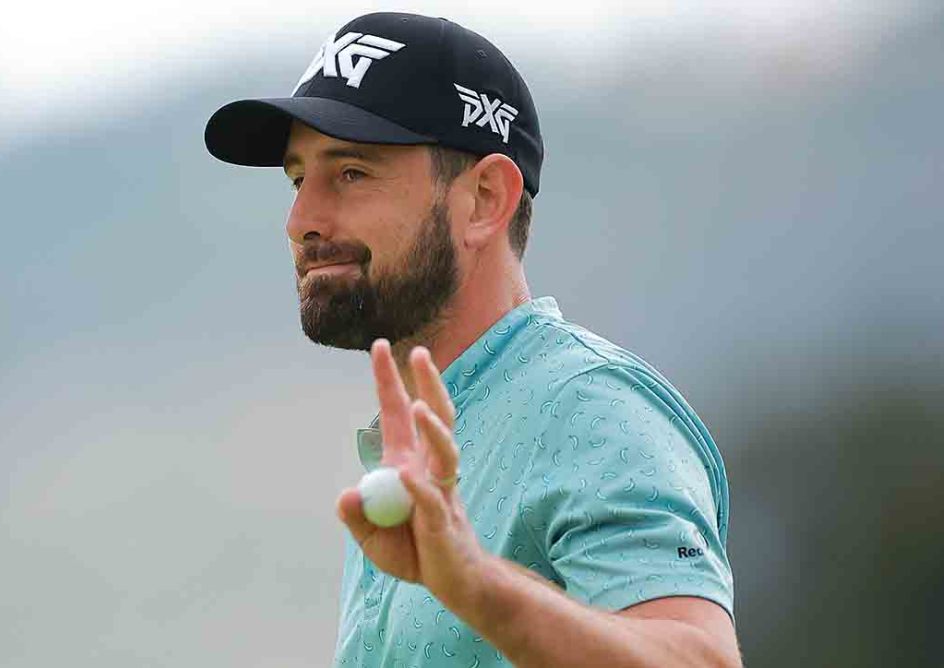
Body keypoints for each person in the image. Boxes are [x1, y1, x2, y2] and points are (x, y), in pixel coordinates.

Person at [204, 11, 740, 668]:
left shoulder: (593, 413)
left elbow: (701, 661)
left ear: (485, 198)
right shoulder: (418, 441)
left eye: (350, 173)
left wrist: (477, 584)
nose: (300, 220)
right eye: (297, 178)